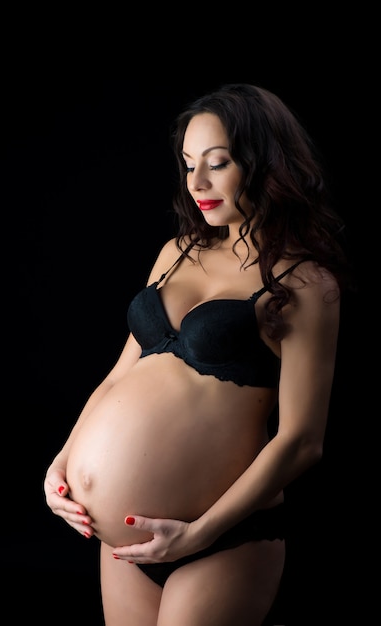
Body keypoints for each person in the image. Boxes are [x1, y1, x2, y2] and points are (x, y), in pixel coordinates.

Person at [44, 83, 353, 625]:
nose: (198, 184)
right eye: (188, 165)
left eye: (218, 163)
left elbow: (302, 441)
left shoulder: (305, 282)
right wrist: (63, 463)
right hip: (124, 544)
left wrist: (197, 534)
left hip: (221, 539)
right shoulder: (176, 251)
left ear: (263, 164)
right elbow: (120, 376)